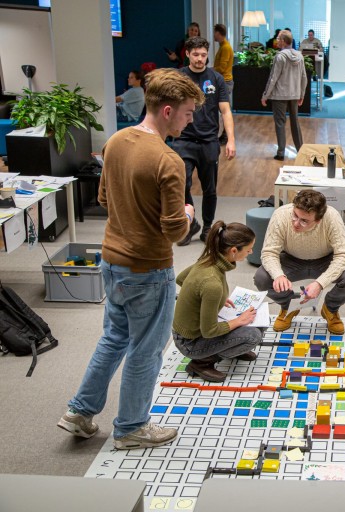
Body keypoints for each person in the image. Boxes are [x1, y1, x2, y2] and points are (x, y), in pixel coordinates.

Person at [57, 68, 204, 449]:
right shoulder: (168, 159)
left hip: (111, 261)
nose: (191, 121)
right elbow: (176, 232)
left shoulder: (117, 141)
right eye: (189, 113)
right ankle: (132, 427)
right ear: (168, 110)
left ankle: (79, 412)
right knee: (147, 350)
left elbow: (104, 199)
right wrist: (188, 213)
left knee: (114, 338)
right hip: (149, 269)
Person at [254, 190, 345, 334]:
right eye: (295, 215)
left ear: (318, 220)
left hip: (325, 259)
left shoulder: (331, 217)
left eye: (304, 220)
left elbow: (343, 254)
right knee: (261, 279)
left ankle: (330, 309)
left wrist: (320, 283)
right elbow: (269, 252)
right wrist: (278, 275)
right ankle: (289, 306)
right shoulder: (280, 214)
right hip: (291, 259)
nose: (296, 223)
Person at [173, 221, 262, 383]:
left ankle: (230, 347)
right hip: (189, 342)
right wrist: (237, 320)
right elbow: (209, 331)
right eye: (249, 249)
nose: (251, 252)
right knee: (253, 336)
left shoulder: (209, 258)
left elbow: (180, 279)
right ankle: (201, 363)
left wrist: (210, 300)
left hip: (188, 332)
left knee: (258, 323)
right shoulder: (212, 283)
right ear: (234, 251)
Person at [172, 36, 236, 246]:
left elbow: (225, 111)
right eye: (196, 55)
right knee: (182, 183)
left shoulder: (216, 78)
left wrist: (231, 141)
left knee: (210, 188)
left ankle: (207, 227)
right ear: (188, 54)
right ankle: (190, 223)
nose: (200, 59)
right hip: (184, 140)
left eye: (203, 55)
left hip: (209, 140)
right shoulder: (179, 76)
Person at [261, 30, 306, 161]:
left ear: (283, 41)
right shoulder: (300, 56)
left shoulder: (279, 57)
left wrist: (265, 95)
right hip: (294, 95)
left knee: (280, 123)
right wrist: (301, 94)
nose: (276, 40)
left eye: (278, 38)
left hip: (279, 96)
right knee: (295, 123)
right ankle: (301, 151)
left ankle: (281, 153)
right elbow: (304, 78)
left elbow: (273, 78)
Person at [213, 23, 235, 145]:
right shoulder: (223, 46)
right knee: (223, 110)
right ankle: (224, 135)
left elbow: (222, 67)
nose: (213, 35)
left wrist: (210, 70)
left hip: (225, 82)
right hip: (223, 81)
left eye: (215, 32)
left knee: (225, 110)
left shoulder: (225, 47)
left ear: (218, 33)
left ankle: (226, 136)